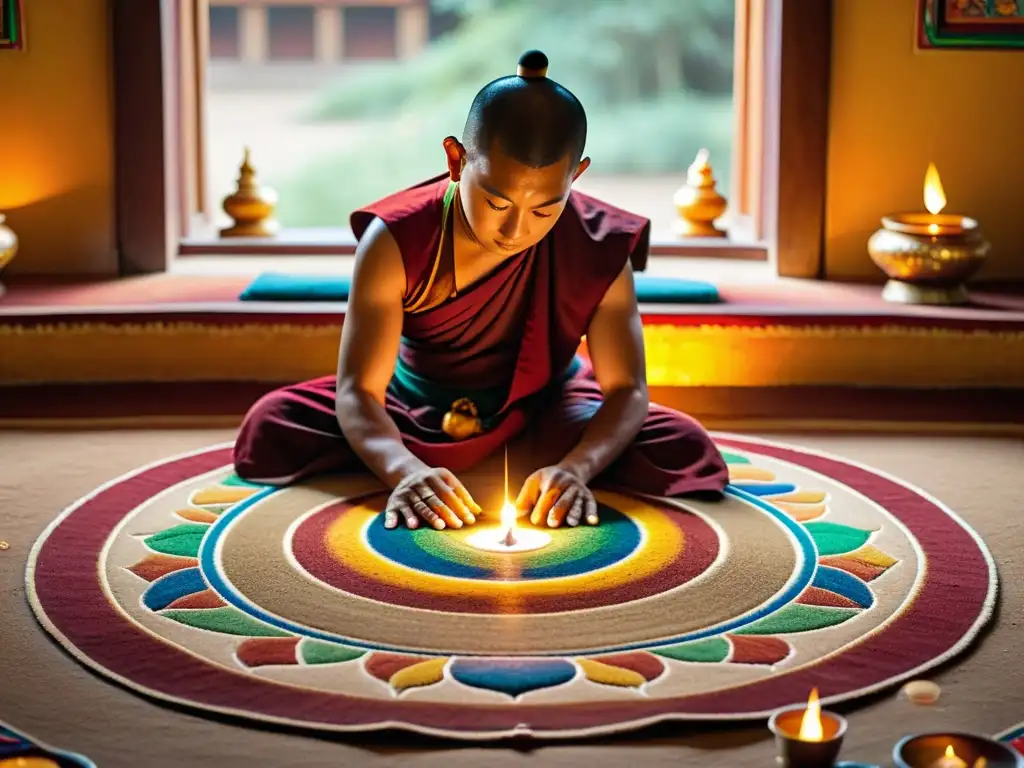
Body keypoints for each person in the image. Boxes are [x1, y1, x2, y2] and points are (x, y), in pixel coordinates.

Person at [233, 51, 728, 532]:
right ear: (456, 159)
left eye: (543, 210)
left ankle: (530, 468)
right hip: (413, 407)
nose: (515, 231)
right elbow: (358, 389)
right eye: (496, 201)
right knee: (273, 423)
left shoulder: (595, 242)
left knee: (682, 443)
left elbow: (628, 389)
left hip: (545, 405)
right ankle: (443, 465)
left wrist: (577, 469)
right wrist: (404, 471)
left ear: (575, 177)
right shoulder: (399, 239)